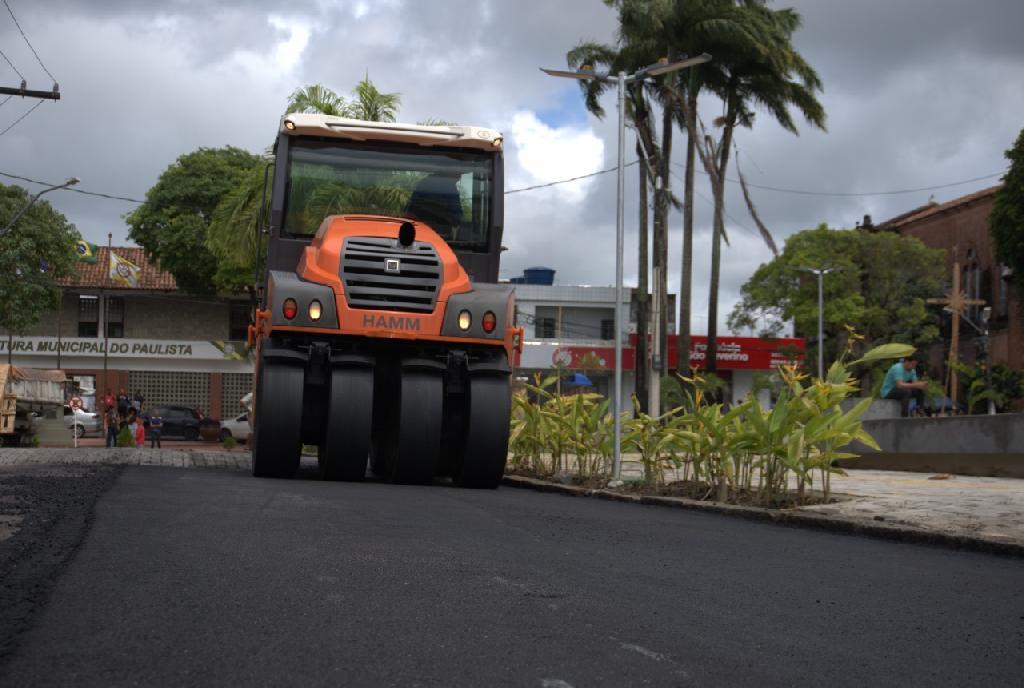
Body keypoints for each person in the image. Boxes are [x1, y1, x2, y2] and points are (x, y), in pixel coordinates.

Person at [406, 172, 463, 238]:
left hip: (430, 236)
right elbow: (456, 219)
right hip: (433, 236)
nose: (460, 177)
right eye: (458, 173)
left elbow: (456, 220)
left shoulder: (424, 183)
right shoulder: (449, 189)